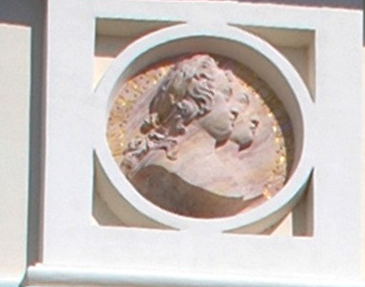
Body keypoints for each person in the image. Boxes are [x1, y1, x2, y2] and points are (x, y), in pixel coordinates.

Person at [117, 52, 288, 218]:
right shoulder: (163, 167)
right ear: (197, 100)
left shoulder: (216, 172)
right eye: (226, 95)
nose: (234, 110)